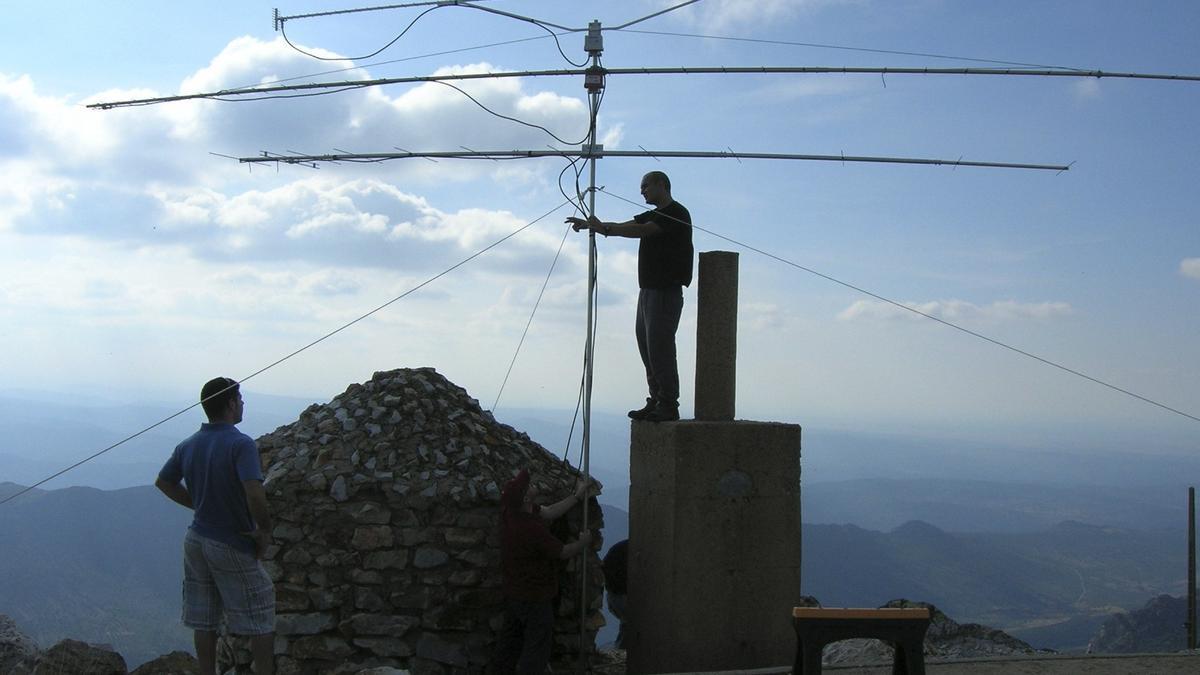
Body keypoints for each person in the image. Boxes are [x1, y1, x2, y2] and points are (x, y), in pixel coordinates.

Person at [155, 377, 275, 675]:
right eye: (240, 398)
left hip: (196, 539)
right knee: (261, 610)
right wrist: (264, 530)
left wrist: (200, 503)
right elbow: (254, 491)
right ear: (231, 403)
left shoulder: (189, 445)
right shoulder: (241, 444)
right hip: (230, 540)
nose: (243, 403)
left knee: (203, 617)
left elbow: (164, 482)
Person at [567, 170, 694, 422]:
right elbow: (631, 224)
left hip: (665, 291)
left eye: (645, 185)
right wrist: (598, 226)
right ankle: (657, 399)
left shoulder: (676, 213)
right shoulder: (655, 214)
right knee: (647, 347)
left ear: (662, 184)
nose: (642, 191)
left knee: (660, 347)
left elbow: (642, 230)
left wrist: (604, 228)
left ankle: (668, 403)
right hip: (648, 291)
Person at [493, 469, 593, 674]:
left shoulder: (511, 513)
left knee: (509, 644)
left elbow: (549, 512)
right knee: (536, 648)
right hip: (535, 597)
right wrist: (582, 543)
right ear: (527, 497)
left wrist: (576, 495)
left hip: (514, 592)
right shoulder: (531, 529)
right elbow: (563, 552)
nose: (532, 485)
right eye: (527, 486)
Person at [601, 539, 628, 650]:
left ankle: (621, 648)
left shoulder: (620, 548)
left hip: (615, 595)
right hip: (621, 595)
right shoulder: (629, 548)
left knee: (627, 624)